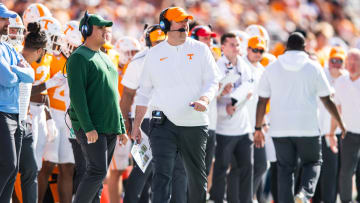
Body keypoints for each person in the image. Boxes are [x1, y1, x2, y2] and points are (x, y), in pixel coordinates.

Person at [132, 7, 219, 203]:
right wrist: (136, 125)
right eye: (179, 21)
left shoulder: (201, 49)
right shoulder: (154, 54)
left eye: (186, 21)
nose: (184, 24)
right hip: (163, 124)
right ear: (164, 25)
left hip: (195, 122)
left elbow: (213, 81)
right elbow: (144, 92)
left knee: (196, 177)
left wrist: (204, 99)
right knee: (162, 175)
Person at [254, 32, 346, 203]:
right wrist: (341, 123)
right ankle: (304, 194)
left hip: (279, 128)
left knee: (284, 170)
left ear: (286, 47)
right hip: (307, 127)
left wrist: (258, 128)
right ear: (304, 48)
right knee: (313, 162)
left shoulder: (272, 68)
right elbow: (327, 99)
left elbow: (261, 101)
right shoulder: (313, 67)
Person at [66, 11, 128, 203]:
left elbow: (113, 95)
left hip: (108, 125)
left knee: (99, 176)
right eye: (100, 27)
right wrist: (87, 126)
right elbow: (77, 97)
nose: (105, 31)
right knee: (97, 172)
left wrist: (121, 128)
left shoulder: (106, 57)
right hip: (92, 127)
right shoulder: (78, 57)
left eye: (106, 27)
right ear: (86, 30)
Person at [122, 24, 187, 203]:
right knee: (144, 166)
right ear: (149, 42)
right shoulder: (140, 60)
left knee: (170, 168)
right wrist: (128, 124)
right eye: (156, 41)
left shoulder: (176, 56)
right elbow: (127, 94)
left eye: (162, 40)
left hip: (170, 118)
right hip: (147, 119)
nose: (160, 44)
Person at [209, 32, 253, 203]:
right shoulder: (217, 67)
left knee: (246, 167)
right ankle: (217, 199)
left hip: (242, 126)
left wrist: (242, 95)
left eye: (238, 44)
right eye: (232, 44)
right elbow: (212, 98)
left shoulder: (244, 66)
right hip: (223, 128)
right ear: (223, 47)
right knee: (221, 168)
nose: (236, 48)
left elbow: (249, 85)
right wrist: (223, 98)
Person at [0, 4, 34, 202]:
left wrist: (15, 70)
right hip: (2, 112)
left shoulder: (7, 48)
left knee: (13, 170)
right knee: (8, 165)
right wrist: (18, 71)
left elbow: (30, 75)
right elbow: (9, 79)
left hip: (15, 113)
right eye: (3, 19)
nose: (7, 23)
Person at [313, 46, 348, 203]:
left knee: (334, 172)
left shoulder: (348, 78)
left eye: (339, 61)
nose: (336, 64)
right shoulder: (322, 75)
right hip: (319, 131)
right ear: (328, 62)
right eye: (333, 60)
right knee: (318, 172)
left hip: (336, 133)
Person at [332, 48, 360, 203]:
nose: (352, 65)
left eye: (356, 61)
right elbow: (337, 108)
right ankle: (346, 200)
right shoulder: (341, 82)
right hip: (348, 133)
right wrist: (331, 132)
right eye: (349, 61)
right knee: (346, 171)